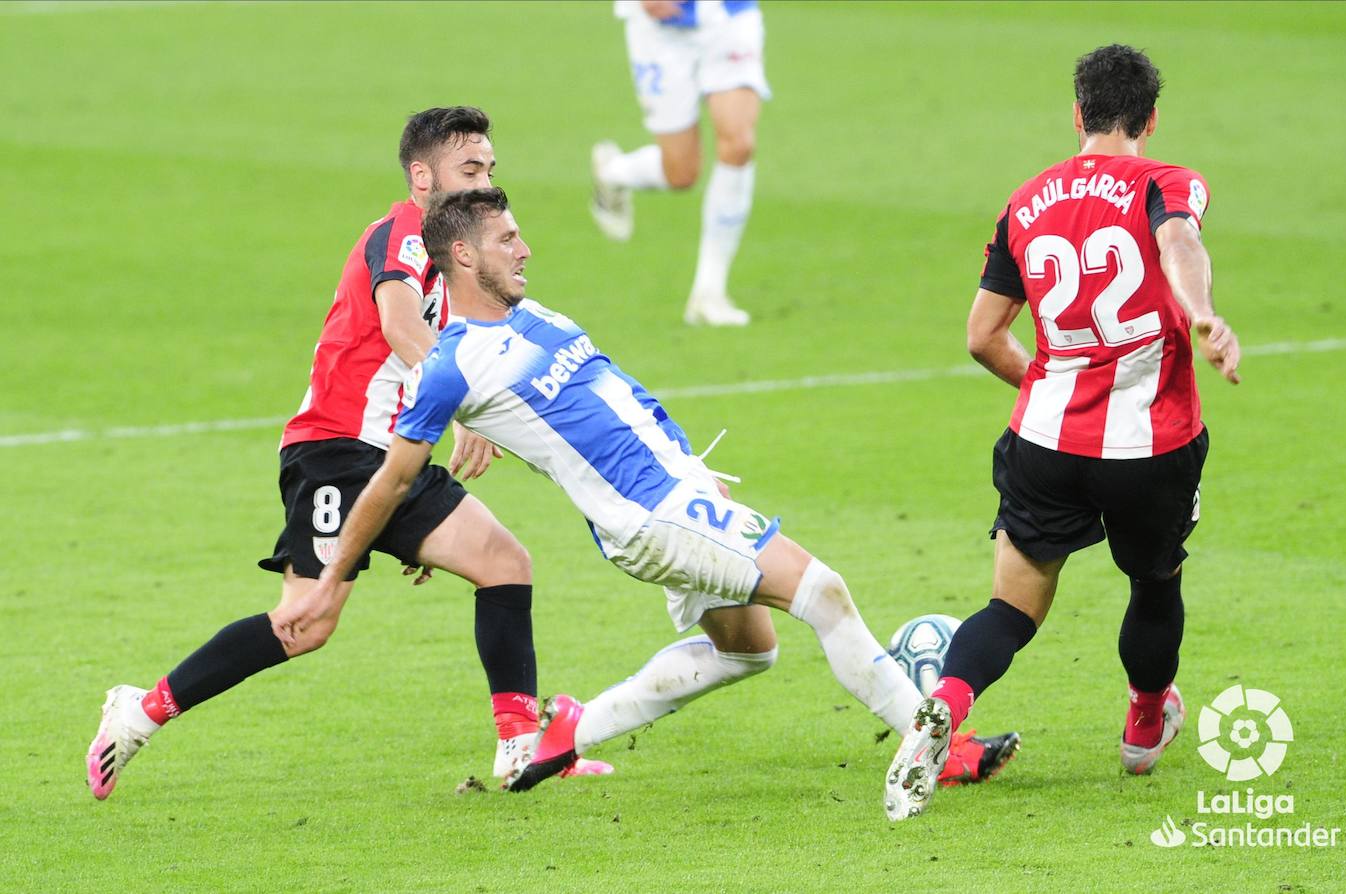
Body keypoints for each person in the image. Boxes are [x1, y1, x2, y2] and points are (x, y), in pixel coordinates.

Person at [275, 188, 1021, 794]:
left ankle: (570, 730)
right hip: (650, 513)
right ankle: (939, 752)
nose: (526, 248)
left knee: (749, 651)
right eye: (508, 240)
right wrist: (335, 571)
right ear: (463, 254)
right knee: (824, 592)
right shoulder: (451, 365)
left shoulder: (530, 313)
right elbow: (394, 476)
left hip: (682, 488)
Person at [86, 107, 607, 800]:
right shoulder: (400, 236)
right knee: (306, 622)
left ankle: (518, 748)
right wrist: (458, 410)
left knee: (503, 562)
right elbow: (396, 325)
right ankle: (140, 710)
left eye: (488, 169)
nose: (484, 181)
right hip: (331, 451)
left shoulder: (453, 258)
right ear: (422, 177)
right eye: (469, 169)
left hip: (388, 456)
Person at [885, 45, 1242, 821]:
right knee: (1154, 583)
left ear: (1077, 113)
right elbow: (1179, 240)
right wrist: (1201, 310)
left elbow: (983, 336)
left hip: (1044, 442)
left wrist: (1052, 384)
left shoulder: (1027, 200)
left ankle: (945, 701)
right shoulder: (1166, 181)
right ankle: (1145, 727)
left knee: (1012, 608)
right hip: (1152, 447)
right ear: (1150, 119)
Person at [590, 0, 767, 326]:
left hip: (729, 16)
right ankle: (613, 173)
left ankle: (709, 294)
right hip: (658, 27)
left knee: (739, 144)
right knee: (681, 173)